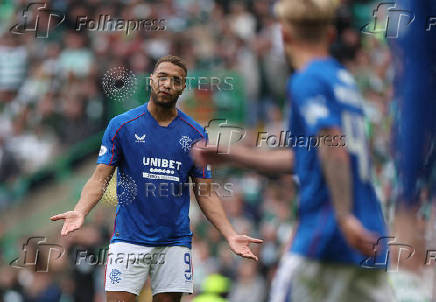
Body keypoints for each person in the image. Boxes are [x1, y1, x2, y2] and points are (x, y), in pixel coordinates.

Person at [192, 0, 394, 301]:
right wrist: (236, 155)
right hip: (370, 231)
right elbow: (308, 157)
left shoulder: (305, 80)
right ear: (328, 35)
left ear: (284, 36)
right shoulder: (342, 80)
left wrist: (343, 217)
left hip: (327, 231)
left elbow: (331, 142)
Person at [50, 55, 262, 302]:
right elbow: (99, 179)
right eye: (162, 77)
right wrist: (80, 210)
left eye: (176, 80)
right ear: (151, 80)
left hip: (174, 242)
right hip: (129, 239)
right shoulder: (122, 125)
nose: (167, 83)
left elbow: (205, 192)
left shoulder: (195, 133)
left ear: (183, 87)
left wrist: (230, 234)